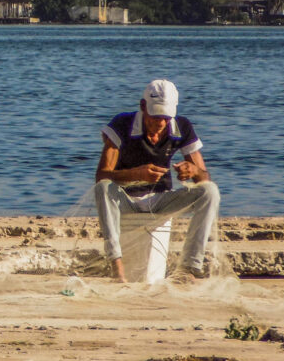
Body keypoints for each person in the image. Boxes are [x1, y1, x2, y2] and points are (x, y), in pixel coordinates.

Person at [94, 79, 220, 282]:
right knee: (102, 189)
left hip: (161, 201)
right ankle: (116, 265)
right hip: (126, 199)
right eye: (154, 117)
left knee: (210, 191)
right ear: (143, 106)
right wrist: (136, 174)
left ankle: (189, 267)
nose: (160, 123)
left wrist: (193, 170)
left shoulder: (182, 126)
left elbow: (205, 176)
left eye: (165, 118)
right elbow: (102, 175)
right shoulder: (122, 124)